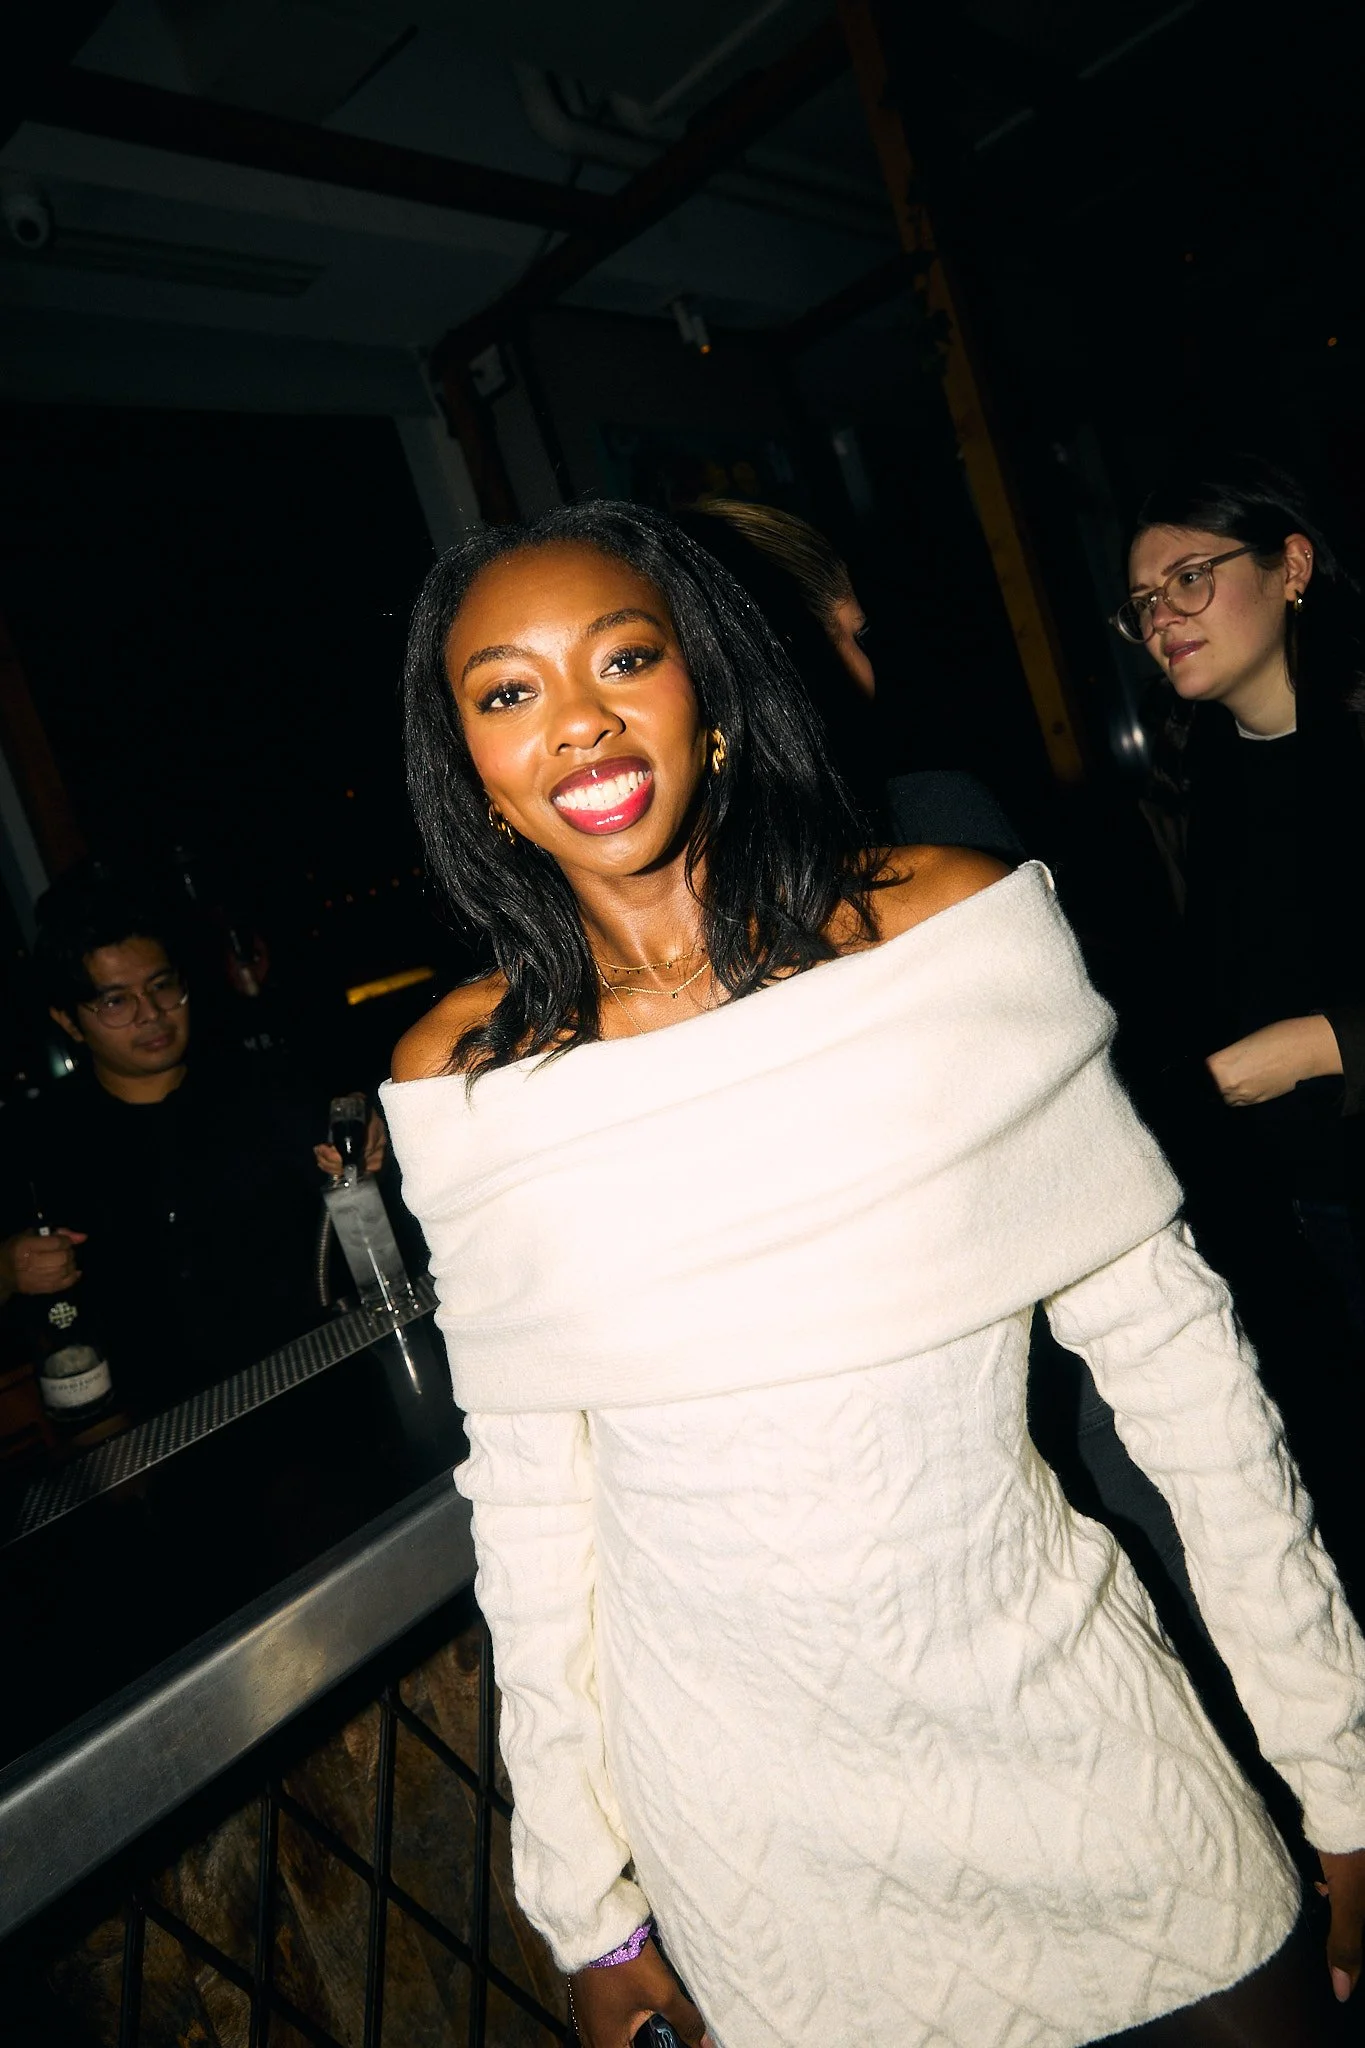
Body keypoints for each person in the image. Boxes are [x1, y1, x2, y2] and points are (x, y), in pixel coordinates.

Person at [382, 502, 1365, 2047]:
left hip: (1063, 1710)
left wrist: (1342, 1762)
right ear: (477, 776)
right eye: (507, 692)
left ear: (707, 693)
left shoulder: (948, 927)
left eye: (622, 657)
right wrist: (584, 1900)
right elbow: (533, 1503)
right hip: (757, 1822)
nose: (574, 720)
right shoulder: (467, 1073)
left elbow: (1186, 1381)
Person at [1111, 455, 1365, 1590]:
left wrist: (1309, 1048)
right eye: (1145, 601)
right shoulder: (1199, 771)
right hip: (1311, 1200)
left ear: (1293, 565)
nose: (1164, 614)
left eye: (1193, 577)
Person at [0, 869, 384, 1413]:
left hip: (312, 1384)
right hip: (153, 1430)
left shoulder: (259, 1085)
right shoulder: (41, 1139)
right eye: (115, 1002)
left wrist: (366, 1147)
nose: (152, 1013)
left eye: (162, 986)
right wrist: (8, 1269)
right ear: (68, 1019)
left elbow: (353, 1161)